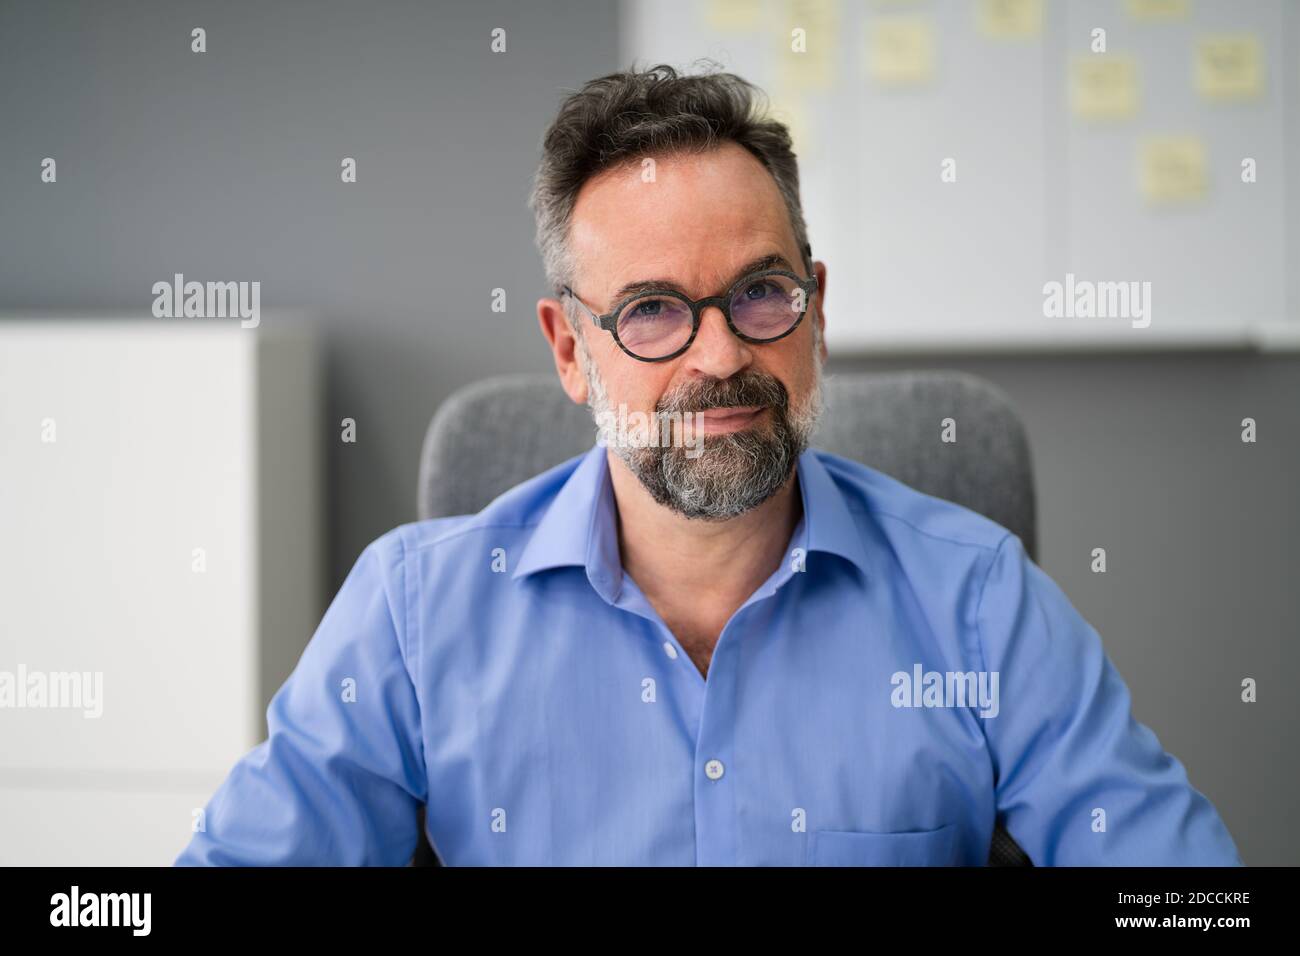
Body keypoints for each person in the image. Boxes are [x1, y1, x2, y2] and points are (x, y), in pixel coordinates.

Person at [175, 63, 1240, 866]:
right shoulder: (413, 615)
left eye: (760, 292)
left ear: (815, 310)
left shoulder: (976, 600)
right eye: (650, 310)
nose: (723, 353)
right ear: (568, 349)